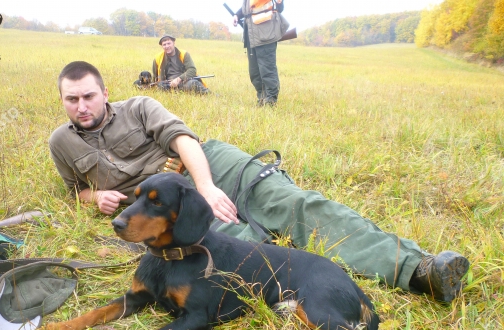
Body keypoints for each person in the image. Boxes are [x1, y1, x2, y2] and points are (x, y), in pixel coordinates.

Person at [49, 61, 470, 303]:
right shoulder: (62, 142)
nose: (82, 105)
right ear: (64, 100)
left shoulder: (140, 105)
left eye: (89, 95)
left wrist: (208, 187)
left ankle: (419, 269)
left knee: (294, 204)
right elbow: (74, 189)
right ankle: (299, 293)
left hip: (207, 165)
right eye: (73, 98)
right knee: (240, 245)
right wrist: (94, 196)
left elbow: (183, 140)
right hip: (163, 207)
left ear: (104, 92)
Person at [233, 0, 289, 106]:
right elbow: (249, 7)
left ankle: (271, 101)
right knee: (254, 72)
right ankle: (262, 98)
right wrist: (237, 14)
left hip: (266, 33)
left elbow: (280, 7)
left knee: (267, 70)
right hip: (251, 35)